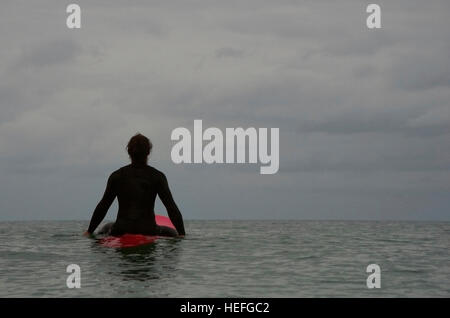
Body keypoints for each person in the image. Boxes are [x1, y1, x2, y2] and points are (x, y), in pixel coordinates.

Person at [83, 133, 185, 237]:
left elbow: (103, 206)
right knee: (172, 232)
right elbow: (171, 207)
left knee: (107, 226)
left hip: (121, 229)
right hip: (148, 230)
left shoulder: (117, 176)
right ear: (148, 152)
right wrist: (182, 234)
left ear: (129, 152)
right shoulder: (157, 176)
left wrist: (89, 231)